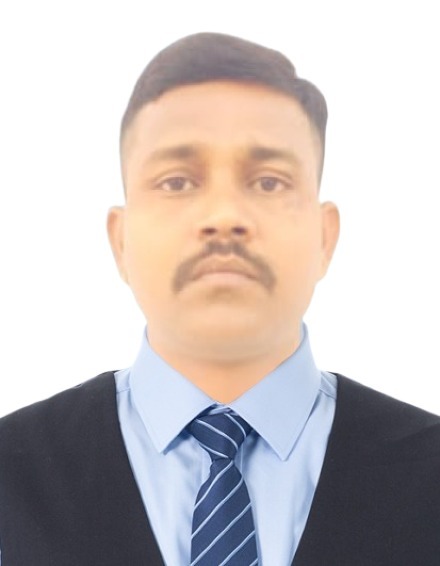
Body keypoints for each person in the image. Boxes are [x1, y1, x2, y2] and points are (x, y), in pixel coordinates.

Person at [0, 32, 439, 566]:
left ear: (325, 237)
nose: (224, 216)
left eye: (269, 182)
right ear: (121, 240)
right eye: (177, 182)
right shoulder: (12, 471)